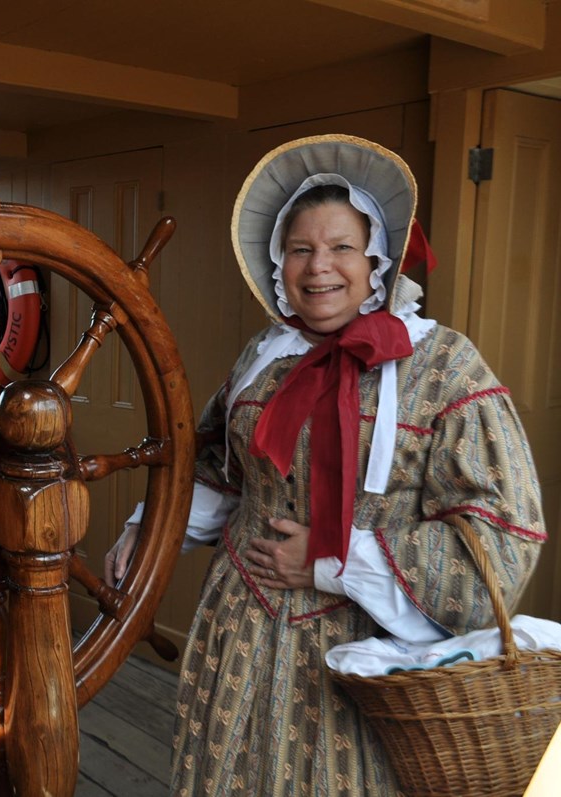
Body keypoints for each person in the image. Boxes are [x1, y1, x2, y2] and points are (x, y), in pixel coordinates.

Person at [105, 134, 546, 794]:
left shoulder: (443, 365)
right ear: (279, 263)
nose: (320, 267)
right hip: (242, 627)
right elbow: (220, 472)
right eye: (301, 249)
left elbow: (499, 542)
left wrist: (332, 560)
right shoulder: (264, 356)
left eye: (342, 247)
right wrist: (150, 526)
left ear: (377, 260)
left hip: (366, 654)